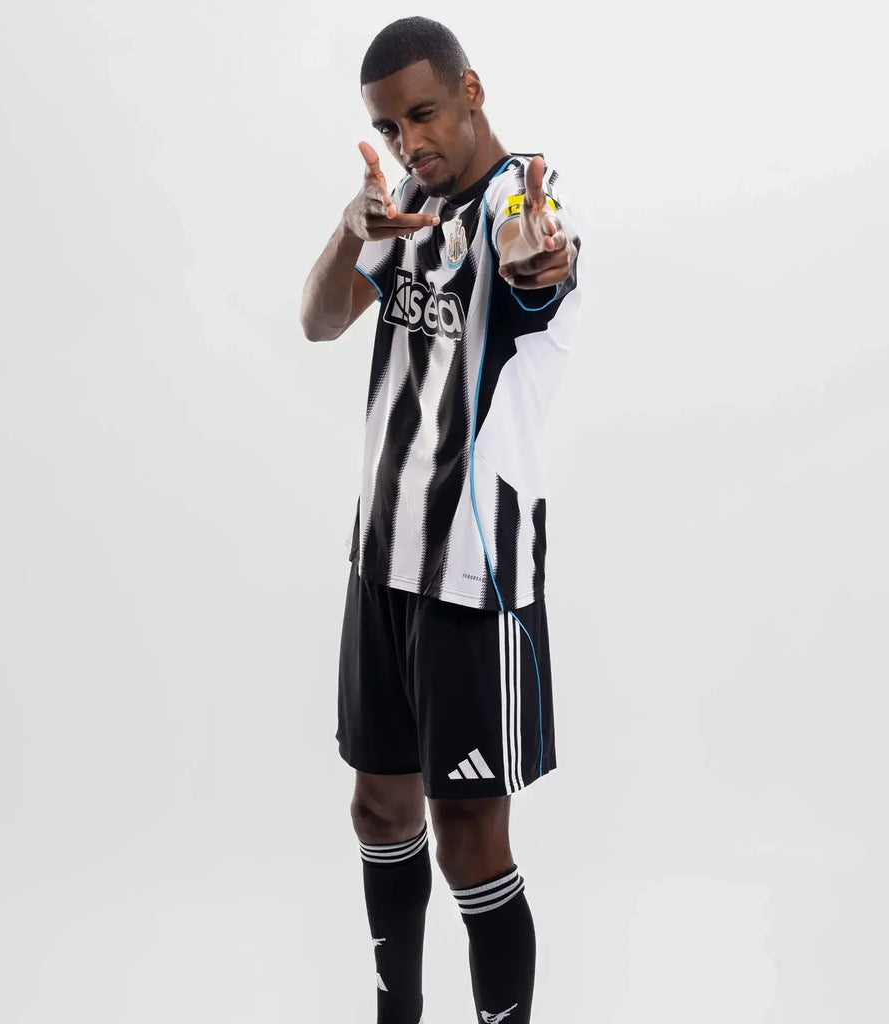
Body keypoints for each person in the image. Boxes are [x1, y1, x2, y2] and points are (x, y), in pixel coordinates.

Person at [299, 15, 581, 1024]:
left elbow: (537, 262)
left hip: (474, 573)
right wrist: (352, 227)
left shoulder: (522, 203)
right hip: (380, 559)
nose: (410, 140)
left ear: (471, 89)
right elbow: (320, 319)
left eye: (423, 113)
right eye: (389, 125)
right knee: (378, 807)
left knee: (469, 837)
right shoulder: (408, 205)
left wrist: (534, 257)